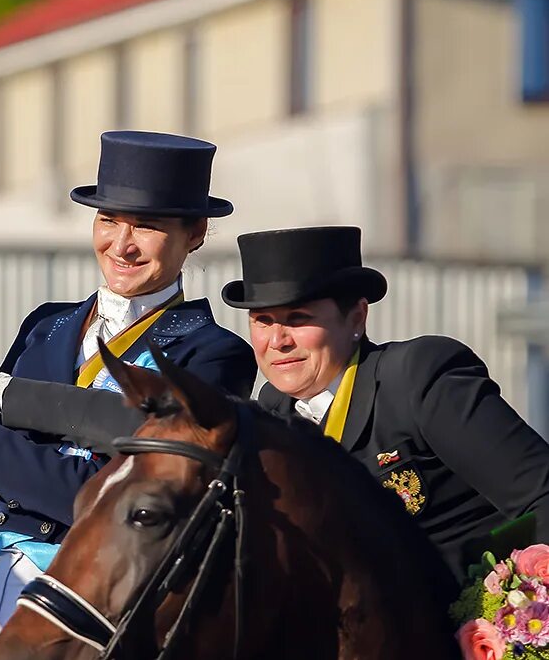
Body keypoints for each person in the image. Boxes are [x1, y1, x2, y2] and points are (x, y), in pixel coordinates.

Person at [0, 130, 256, 645]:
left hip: (90, 596)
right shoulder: (46, 326)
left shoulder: (211, 355)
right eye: (108, 220)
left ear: (196, 234)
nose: (122, 244)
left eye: (148, 227)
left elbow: (110, 496)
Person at [221, 226, 549, 575]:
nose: (277, 341)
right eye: (263, 321)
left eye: (298, 319)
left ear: (357, 318)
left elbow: (541, 497)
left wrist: (502, 604)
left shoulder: (418, 378)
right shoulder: (272, 411)